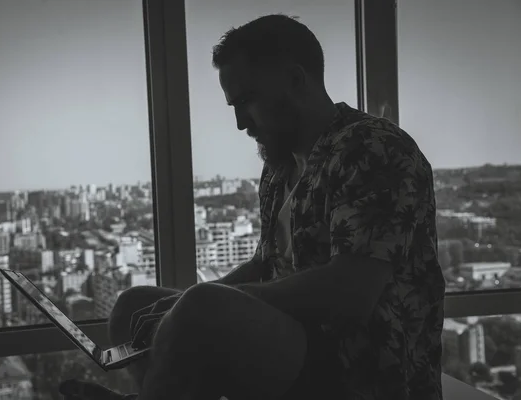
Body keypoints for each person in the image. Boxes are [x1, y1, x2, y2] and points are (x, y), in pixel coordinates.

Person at [59, 14, 445, 400]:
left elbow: (351, 294)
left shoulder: (372, 148)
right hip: (297, 347)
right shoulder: (280, 166)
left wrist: (204, 307)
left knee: (197, 307)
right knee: (135, 308)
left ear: (295, 80)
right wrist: (177, 307)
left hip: (362, 363)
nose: (241, 122)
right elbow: (265, 263)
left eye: (247, 100)